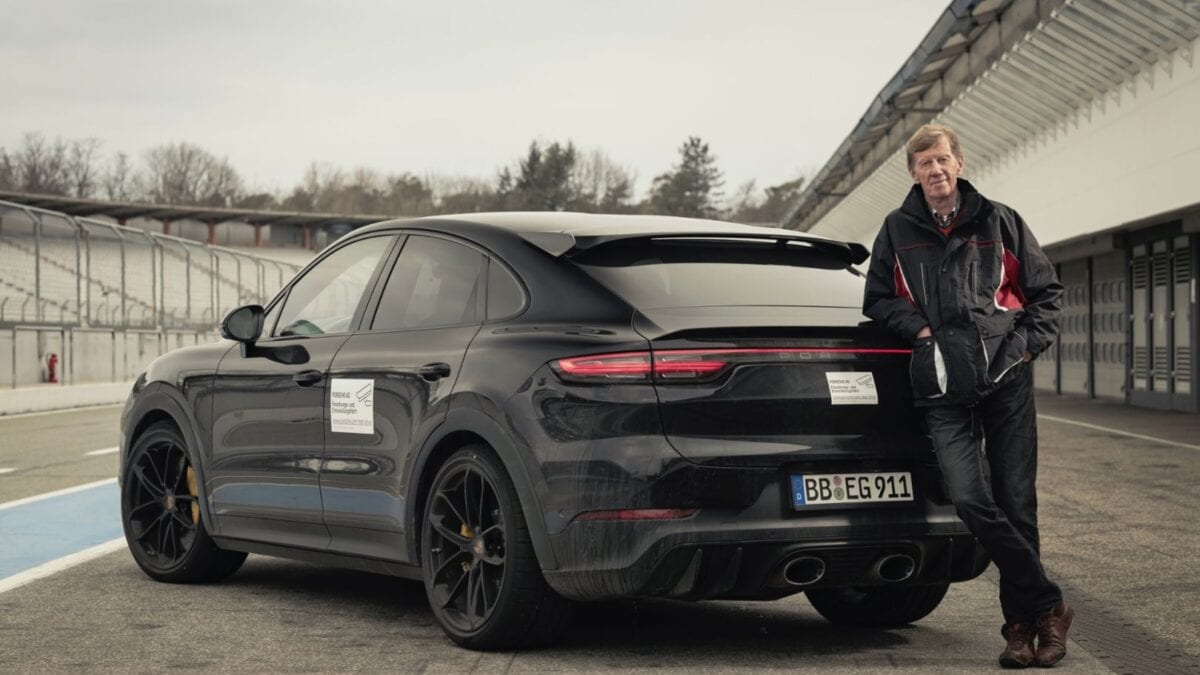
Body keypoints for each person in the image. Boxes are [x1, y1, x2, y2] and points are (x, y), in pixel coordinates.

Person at [862, 124, 1073, 669]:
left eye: (942, 160)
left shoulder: (998, 220)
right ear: (913, 173)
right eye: (924, 163)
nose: (935, 170)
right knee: (970, 498)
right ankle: (1050, 602)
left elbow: (1046, 293)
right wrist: (920, 330)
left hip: (1004, 381)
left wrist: (1023, 348)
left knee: (1016, 504)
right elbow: (877, 299)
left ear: (959, 163)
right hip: (940, 384)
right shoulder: (897, 229)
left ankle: (1022, 630)